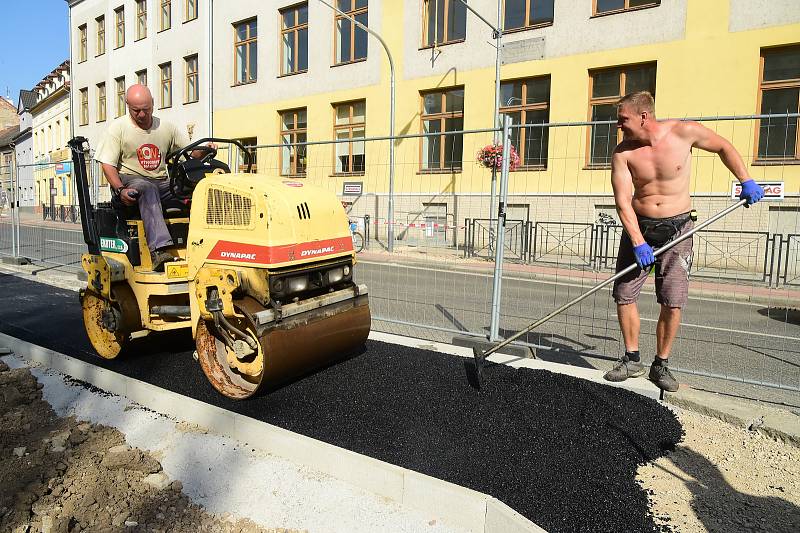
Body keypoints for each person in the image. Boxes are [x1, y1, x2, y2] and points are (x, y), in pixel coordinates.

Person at [603, 91, 765, 392]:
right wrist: (638, 241)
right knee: (624, 293)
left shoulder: (683, 132)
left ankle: (661, 363)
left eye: (622, 119)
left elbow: (723, 147)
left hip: (679, 229)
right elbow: (622, 201)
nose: (619, 126)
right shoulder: (623, 153)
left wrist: (746, 180)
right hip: (638, 228)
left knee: (673, 299)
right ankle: (632, 358)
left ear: (643, 116)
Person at [95, 84, 212, 271]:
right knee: (146, 187)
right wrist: (120, 189)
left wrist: (204, 149)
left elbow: (187, 154)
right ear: (127, 106)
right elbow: (107, 164)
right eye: (136, 111)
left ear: (153, 104)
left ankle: (202, 243)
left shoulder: (166, 128)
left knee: (197, 187)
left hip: (161, 182)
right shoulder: (118, 129)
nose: (142, 114)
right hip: (129, 180)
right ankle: (159, 250)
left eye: (146, 109)